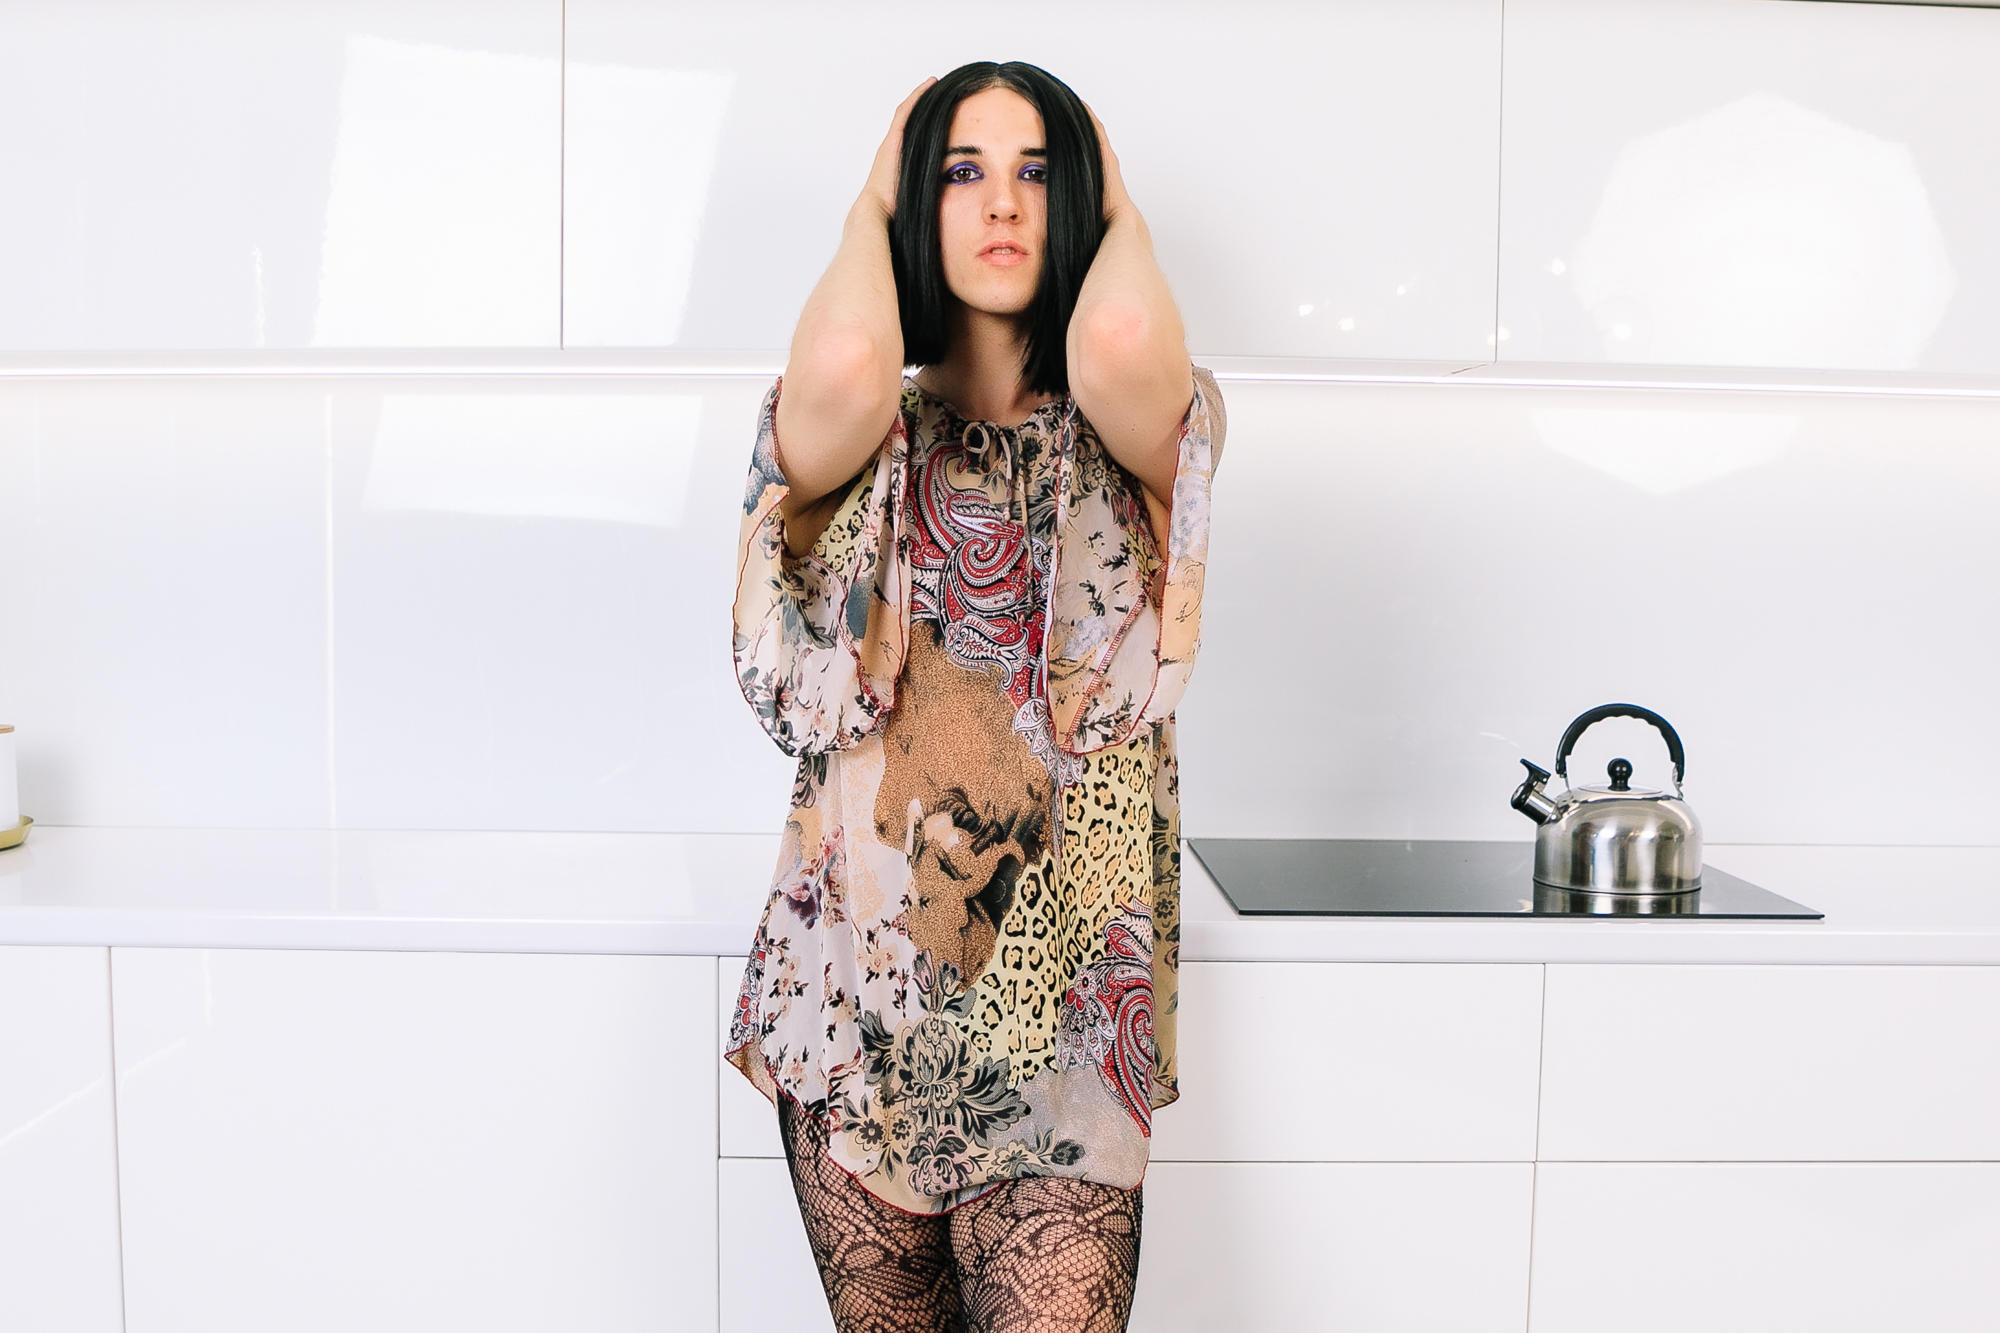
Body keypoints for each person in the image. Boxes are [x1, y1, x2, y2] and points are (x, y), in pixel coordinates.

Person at [725, 59, 1225, 1333]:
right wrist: (871, 201)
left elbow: (1114, 337)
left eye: (1035, 173)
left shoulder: (1141, 432)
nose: (1001, 202)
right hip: (853, 1014)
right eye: (960, 171)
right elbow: (850, 351)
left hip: (1066, 1035)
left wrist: (1112, 194)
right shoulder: (856, 434)